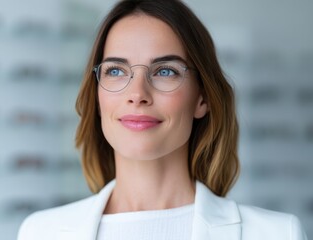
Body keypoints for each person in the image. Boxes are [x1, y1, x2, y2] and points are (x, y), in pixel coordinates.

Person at [18, 0, 308, 239]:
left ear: (202, 98)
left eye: (165, 71)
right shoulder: (41, 232)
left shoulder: (277, 233)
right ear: (96, 96)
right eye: (116, 71)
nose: (137, 94)